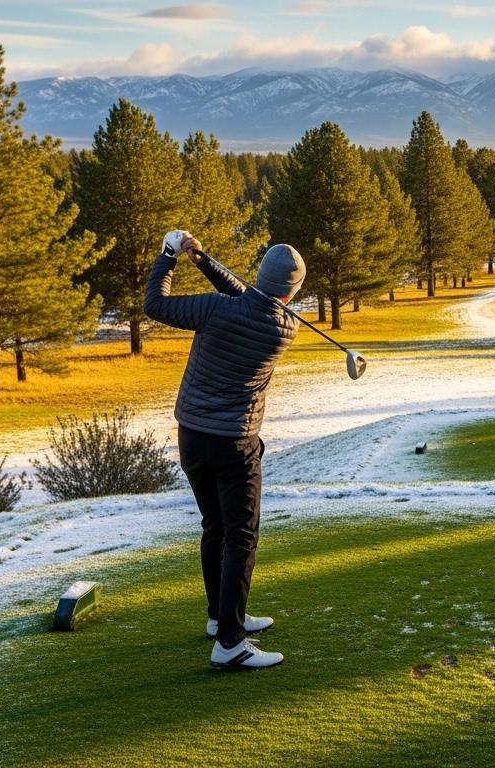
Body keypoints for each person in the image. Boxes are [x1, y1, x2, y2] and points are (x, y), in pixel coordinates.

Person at [143, 230, 304, 670]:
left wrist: (169, 257)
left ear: (258, 277)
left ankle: (221, 618)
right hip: (235, 443)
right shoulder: (284, 326)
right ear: (291, 292)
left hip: (192, 436)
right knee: (241, 536)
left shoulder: (215, 311)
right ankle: (230, 643)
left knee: (215, 527)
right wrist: (205, 261)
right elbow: (253, 300)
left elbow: (154, 304)